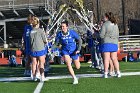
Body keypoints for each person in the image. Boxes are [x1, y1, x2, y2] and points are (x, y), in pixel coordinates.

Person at [55, 20, 82, 84]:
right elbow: (56, 43)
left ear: (67, 27)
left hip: (74, 51)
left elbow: (80, 40)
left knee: (77, 67)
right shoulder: (59, 34)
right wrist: (51, 48)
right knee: (68, 64)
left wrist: (78, 49)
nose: (62, 28)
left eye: (63, 26)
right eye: (61, 27)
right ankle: (74, 78)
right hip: (65, 51)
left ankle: (74, 61)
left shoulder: (72, 32)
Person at [100, 12, 121, 78]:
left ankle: (105, 74)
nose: (103, 18)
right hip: (114, 43)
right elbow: (117, 35)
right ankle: (118, 73)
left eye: (104, 17)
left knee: (106, 59)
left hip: (107, 43)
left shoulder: (105, 24)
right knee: (114, 59)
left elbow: (101, 35)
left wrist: (97, 34)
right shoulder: (115, 24)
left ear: (107, 17)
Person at [29, 16, 47, 81]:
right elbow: (45, 40)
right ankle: (42, 76)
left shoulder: (31, 31)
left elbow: (30, 41)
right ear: (38, 23)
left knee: (34, 63)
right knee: (41, 63)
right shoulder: (41, 31)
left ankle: (34, 77)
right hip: (40, 49)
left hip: (33, 49)